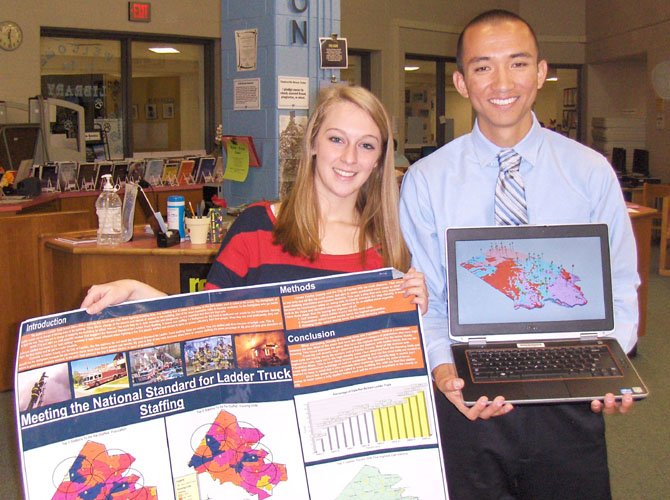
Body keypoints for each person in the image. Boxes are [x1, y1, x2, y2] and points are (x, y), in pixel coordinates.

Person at [399, 9, 638, 500]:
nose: (502, 82)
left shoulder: (590, 173)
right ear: (463, 82)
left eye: (518, 63)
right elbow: (428, 297)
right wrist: (444, 368)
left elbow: (619, 282)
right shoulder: (427, 180)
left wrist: (613, 357)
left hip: (569, 394)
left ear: (542, 72)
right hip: (468, 393)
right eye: (484, 67)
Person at [82, 84, 427, 317]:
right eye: (336, 139)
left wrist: (416, 313)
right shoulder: (257, 228)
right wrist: (133, 290)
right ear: (312, 144)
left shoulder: (389, 243)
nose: (349, 157)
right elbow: (207, 318)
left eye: (366, 145)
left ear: (380, 159)